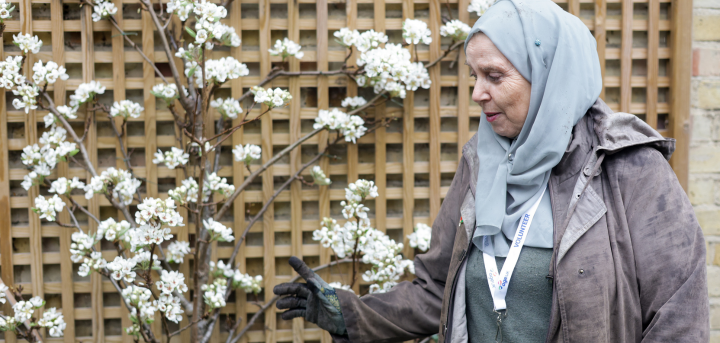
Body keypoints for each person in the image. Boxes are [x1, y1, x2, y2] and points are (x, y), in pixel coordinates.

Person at [273, 0, 710, 342]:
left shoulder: (630, 166)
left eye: (494, 76)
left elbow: (678, 319)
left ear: (548, 76)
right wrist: (350, 314)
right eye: (474, 76)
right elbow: (435, 291)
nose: (478, 93)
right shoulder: (481, 162)